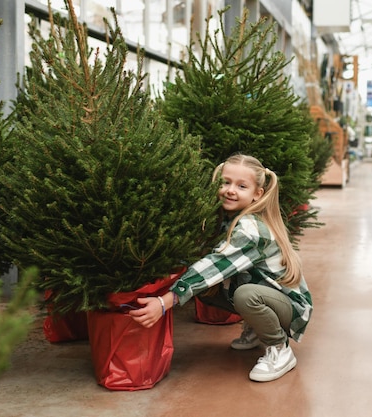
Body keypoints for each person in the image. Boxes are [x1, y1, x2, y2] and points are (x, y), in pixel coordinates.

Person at [128, 153, 313, 382]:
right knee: (207, 290)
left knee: (245, 295)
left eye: (241, 186)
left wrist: (166, 301)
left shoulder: (250, 229)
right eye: (225, 182)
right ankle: (257, 329)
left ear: (257, 195)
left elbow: (214, 266)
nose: (230, 190)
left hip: (292, 306)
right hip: (266, 294)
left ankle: (279, 349)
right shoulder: (227, 218)